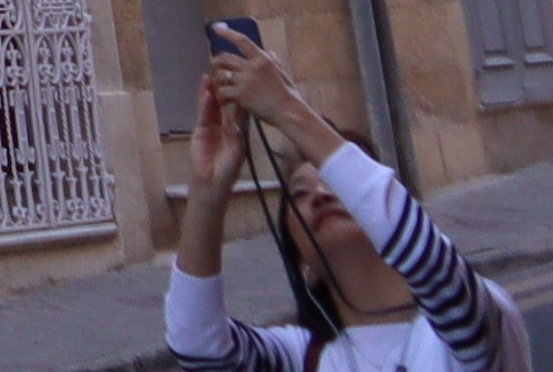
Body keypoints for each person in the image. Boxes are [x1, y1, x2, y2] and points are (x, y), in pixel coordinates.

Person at [168, 40, 532, 372]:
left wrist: (288, 111)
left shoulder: (472, 322)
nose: (320, 195)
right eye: (300, 194)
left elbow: (431, 264)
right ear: (303, 264)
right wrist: (206, 194)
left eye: (337, 181)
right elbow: (198, 347)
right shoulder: (304, 358)